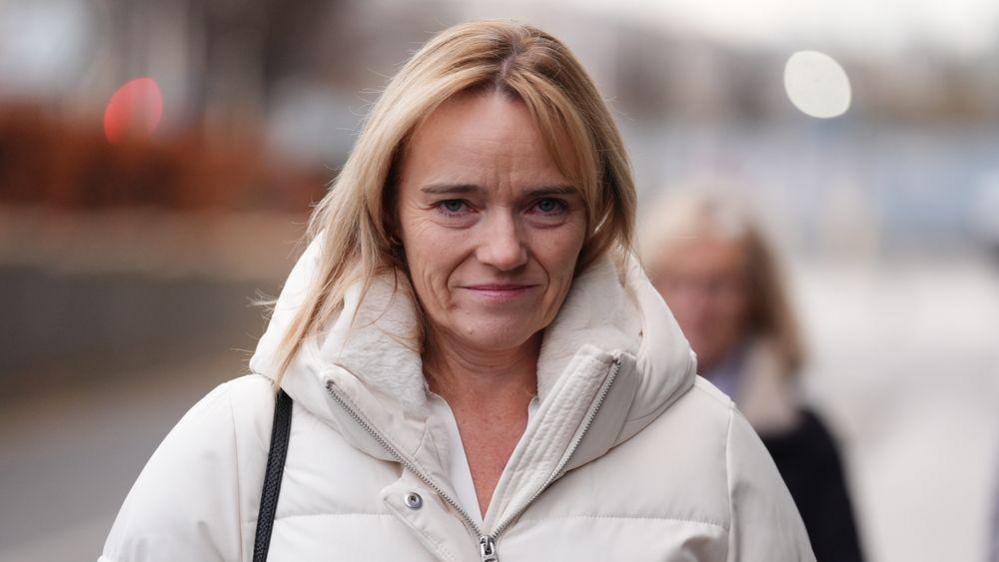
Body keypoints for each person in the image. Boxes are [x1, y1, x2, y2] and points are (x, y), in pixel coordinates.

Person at [99, 22, 815, 561]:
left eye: (545, 205)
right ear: (386, 214)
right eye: (454, 205)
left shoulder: (711, 453)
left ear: (594, 217)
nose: (503, 251)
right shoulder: (240, 447)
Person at [641, 191, 864, 562]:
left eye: (718, 284)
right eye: (679, 283)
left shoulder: (805, 441)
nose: (699, 304)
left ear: (756, 296)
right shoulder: (611, 425)